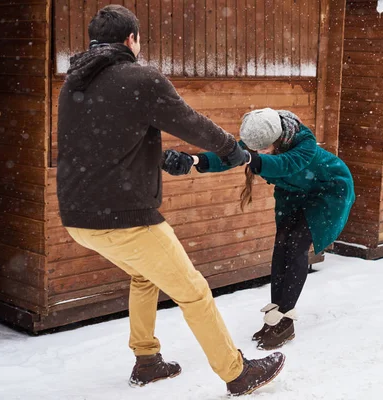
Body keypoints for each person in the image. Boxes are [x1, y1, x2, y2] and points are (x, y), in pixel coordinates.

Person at [56, 5, 285, 396]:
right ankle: (237, 373)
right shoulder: (139, 77)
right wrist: (232, 148)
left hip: (78, 219)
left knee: (144, 276)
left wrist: (159, 159)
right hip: (125, 218)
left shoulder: (74, 83)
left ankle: (147, 362)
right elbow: (189, 121)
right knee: (193, 291)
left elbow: (100, 143)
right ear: (132, 39)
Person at [164, 108, 355, 350]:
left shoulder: (303, 142)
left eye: (263, 149)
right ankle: (274, 314)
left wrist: (248, 158)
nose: (259, 152)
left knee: (297, 245)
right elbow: (229, 155)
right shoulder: (260, 139)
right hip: (294, 193)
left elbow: (284, 164)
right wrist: (193, 160)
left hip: (328, 191)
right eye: (255, 149)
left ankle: (285, 320)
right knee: (281, 245)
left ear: (277, 139)